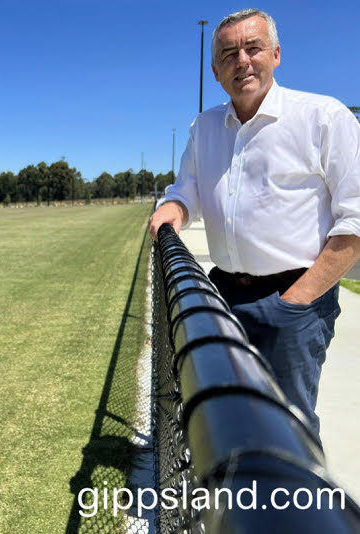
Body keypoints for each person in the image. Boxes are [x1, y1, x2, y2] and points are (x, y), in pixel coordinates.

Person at [149, 8, 360, 441]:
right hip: (223, 295)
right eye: (228, 53)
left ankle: (297, 508)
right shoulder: (205, 127)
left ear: (276, 54)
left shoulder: (323, 117)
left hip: (295, 299)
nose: (241, 60)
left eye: (253, 48)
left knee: (288, 432)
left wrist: (296, 302)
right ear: (215, 70)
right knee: (225, 426)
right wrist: (175, 209)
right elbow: (187, 189)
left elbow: (355, 221)